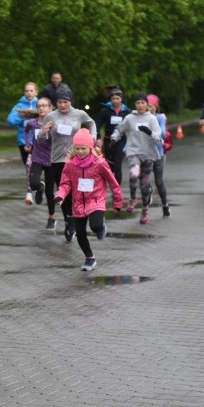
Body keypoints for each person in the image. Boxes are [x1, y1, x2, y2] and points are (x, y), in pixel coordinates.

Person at [54, 129, 123, 271]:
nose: (80, 151)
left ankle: (101, 226)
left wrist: (118, 201)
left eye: (83, 148)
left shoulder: (100, 163)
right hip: (78, 203)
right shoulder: (70, 164)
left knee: (95, 226)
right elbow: (65, 183)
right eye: (77, 148)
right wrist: (60, 195)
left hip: (96, 201)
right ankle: (90, 258)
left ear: (90, 148)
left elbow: (113, 182)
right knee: (80, 234)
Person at [44, 85, 97, 241]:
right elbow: (41, 138)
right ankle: (69, 218)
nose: (62, 105)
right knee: (63, 191)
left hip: (75, 158)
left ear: (71, 101)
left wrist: (92, 138)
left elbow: (92, 123)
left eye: (65, 102)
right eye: (59, 102)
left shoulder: (79, 114)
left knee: (74, 190)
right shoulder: (51, 116)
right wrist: (43, 132)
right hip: (57, 159)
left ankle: (73, 217)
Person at [111, 93, 161, 224]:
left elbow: (159, 138)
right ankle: (133, 199)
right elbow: (119, 130)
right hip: (133, 152)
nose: (140, 105)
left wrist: (149, 132)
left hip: (148, 154)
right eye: (138, 103)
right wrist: (114, 138)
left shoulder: (152, 119)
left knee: (145, 186)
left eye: (143, 103)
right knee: (134, 175)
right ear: (135, 105)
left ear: (146, 104)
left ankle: (145, 210)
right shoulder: (129, 118)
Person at [23, 97, 58, 230]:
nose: (41, 108)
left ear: (51, 108)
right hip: (37, 158)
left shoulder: (54, 124)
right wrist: (28, 143)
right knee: (33, 183)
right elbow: (25, 130)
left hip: (51, 160)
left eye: (44, 106)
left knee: (50, 193)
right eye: (39, 106)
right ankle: (39, 188)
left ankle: (52, 217)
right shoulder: (32, 123)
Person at [95, 87, 130, 186]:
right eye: (113, 99)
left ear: (121, 99)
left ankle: (117, 190)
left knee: (118, 165)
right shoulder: (106, 110)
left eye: (117, 99)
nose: (115, 101)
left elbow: (132, 124)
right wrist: (98, 137)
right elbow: (97, 125)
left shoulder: (126, 111)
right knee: (110, 165)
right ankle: (106, 187)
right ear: (111, 99)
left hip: (121, 140)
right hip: (108, 140)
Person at [147, 94, 171, 217]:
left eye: (151, 106)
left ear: (156, 107)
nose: (149, 109)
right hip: (145, 153)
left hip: (158, 154)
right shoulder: (141, 118)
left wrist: (153, 120)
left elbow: (163, 135)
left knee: (159, 182)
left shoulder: (160, 118)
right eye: (147, 106)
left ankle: (165, 205)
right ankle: (148, 192)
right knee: (144, 180)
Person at [7, 82, 39, 167]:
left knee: (41, 166)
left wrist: (37, 114)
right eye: (27, 91)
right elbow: (10, 121)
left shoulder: (41, 105)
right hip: (24, 142)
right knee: (29, 167)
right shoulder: (19, 106)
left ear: (36, 92)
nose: (29, 93)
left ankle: (39, 180)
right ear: (24, 93)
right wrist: (23, 115)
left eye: (31, 91)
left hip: (40, 141)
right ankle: (32, 180)